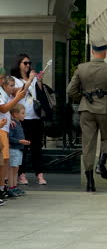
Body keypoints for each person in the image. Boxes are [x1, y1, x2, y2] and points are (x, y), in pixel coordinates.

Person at [67, 39, 107, 192]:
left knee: (88, 145)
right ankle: (101, 163)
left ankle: (90, 182)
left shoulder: (81, 68)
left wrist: (82, 97)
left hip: (86, 110)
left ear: (93, 51)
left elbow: (70, 90)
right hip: (104, 109)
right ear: (105, 52)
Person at [10, 54, 46, 185]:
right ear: (18, 64)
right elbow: (19, 93)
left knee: (37, 147)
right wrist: (30, 80)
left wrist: (39, 81)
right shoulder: (15, 79)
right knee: (23, 147)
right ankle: (21, 173)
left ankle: (39, 174)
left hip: (35, 117)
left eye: (29, 63)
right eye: (25, 63)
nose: (28, 65)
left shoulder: (33, 79)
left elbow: (40, 95)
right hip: (22, 119)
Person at [0, 71, 27, 200]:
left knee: (5, 162)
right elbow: (4, 109)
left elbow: (7, 109)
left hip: (3, 128)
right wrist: (17, 98)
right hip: (1, 130)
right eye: (10, 85)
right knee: (4, 162)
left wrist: (31, 80)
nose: (12, 87)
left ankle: (3, 187)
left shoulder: (5, 94)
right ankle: (4, 187)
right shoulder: (2, 93)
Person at [9, 103, 30, 196]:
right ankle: (11, 187)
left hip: (18, 149)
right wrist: (19, 141)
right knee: (12, 169)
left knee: (16, 169)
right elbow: (10, 137)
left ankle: (14, 186)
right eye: (22, 113)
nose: (24, 115)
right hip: (14, 149)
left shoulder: (18, 123)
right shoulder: (13, 124)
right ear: (15, 114)